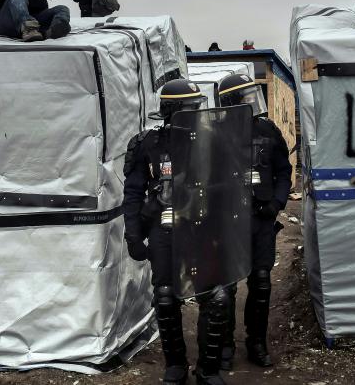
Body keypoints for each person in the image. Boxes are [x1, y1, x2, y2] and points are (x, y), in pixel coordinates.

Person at [122, 79, 231, 385]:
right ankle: (176, 366)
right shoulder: (147, 144)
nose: (196, 115)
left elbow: (232, 184)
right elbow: (132, 193)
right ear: (172, 112)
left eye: (197, 108)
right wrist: (133, 233)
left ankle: (208, 370)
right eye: (189, 109)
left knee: (216, 297)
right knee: (167, 298)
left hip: (202, 228)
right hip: (164, 231)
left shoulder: (212, 142)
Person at [216, 73, 291, 370]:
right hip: (228, 223)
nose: (252, 102)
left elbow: (283, 171)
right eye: (246, 98)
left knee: (260, 283)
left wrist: (276, 203)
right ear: (231, 103)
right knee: (227, 287)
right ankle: (224, 345)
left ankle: (256, 342)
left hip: (261, 221)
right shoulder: (214, 134)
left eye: (252, 96)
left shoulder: (268, 130)